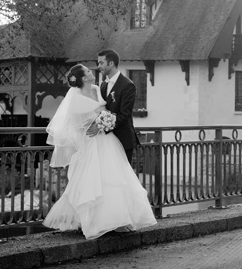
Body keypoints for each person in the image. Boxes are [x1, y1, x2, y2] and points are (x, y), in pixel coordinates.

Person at [42, 64, 156, 240]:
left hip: (107, 140)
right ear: (84, 78)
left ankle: (117, 220)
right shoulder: (75, 98)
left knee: (114, 179)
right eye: (87, 71)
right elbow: (76, 124)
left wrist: (105, 123)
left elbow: (106, 110)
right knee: (92, 181)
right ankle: (95, 221)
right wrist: (96, 124)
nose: (91, 71)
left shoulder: (97, 89)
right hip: (90, 142)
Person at [96, 49, 139, 165]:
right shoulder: (103, 85)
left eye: (101, 63)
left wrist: (104, 126)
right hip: (106, 140)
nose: (98, 66)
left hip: (122, 140)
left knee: (124, 179)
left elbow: (124, 115)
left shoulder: (128, 85)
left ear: (111, 63)